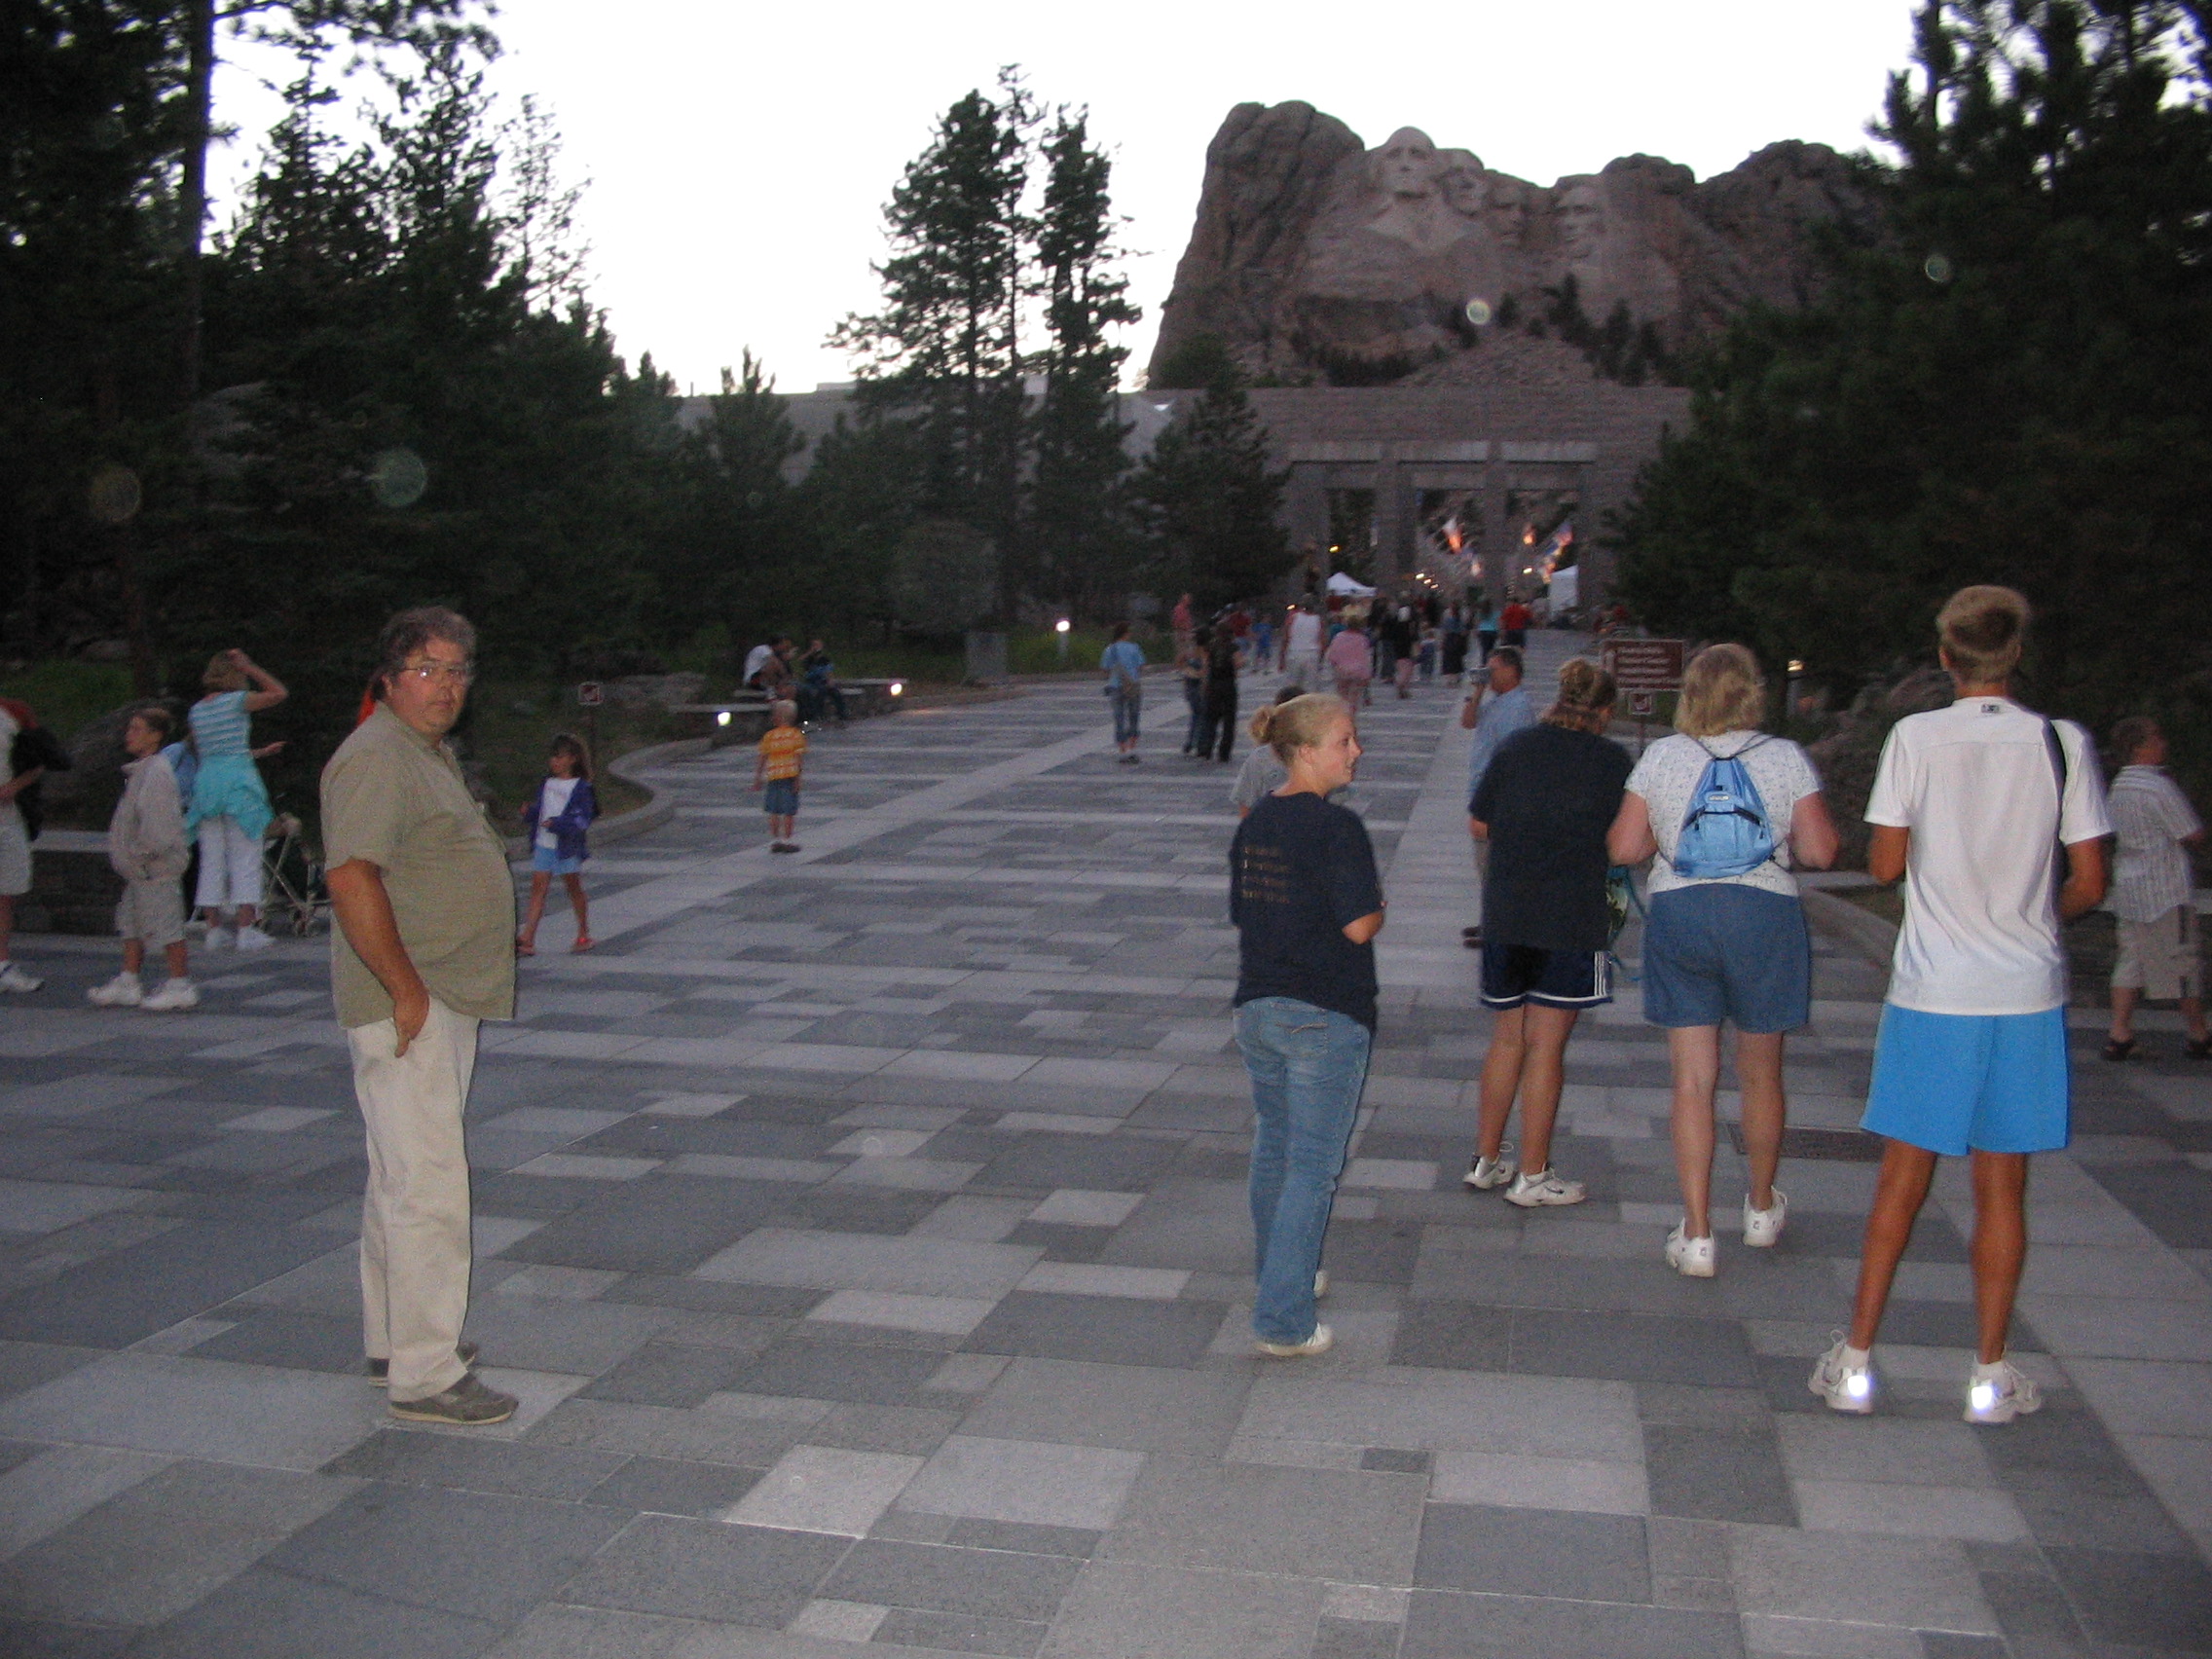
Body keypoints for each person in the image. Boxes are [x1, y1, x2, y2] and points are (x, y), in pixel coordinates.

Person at [1813, 587, 2107, 1424]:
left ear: (1946, 656)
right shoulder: (2062, 743)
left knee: (1901, 1181)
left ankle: (1856, 1360)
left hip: (1935, 989)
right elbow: (2089, 881)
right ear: (2016, 654)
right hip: (2024, 991)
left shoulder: (1916, 738)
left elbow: (1883, 865)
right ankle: (1989, 1373)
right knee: (2002, 1187)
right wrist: (2033, 916)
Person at [322, 607, 517, 1426]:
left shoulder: (420, 750)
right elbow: (350, 878)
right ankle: (428, 1373)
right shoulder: (376, 757)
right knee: (429, 1183)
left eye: (457, 670)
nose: (446, 686)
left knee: (399, 1175)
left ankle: (394, 1341)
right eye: (428, 669)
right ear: (390, 678)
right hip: (414, 1001)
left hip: (439, 994)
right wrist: (405, 990)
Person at [1605, 645, 1839, 1276]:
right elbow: (1820, 851)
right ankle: (1760, 1208)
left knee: (1693, 1080)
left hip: (1682, 914)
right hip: (1764, 917)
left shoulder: (1663, 756)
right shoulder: (1784, 756)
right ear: (1751, 693)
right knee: (1761, 1073)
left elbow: (1624, 846)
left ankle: (1698, 1233)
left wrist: (1664, 833)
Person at [1229, 693, 1385, 1357]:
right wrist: (1378, 903)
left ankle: (1282, 1276)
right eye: (1344, 741)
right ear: (1304, 751)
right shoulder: (1336, 827)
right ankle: (1283, 1322)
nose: (1356, 751)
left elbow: (1247, 912)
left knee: (1275, 1148)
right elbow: (1360, 925)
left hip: (1259, 1006)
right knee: (1312, 1168)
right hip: (1323, 1011)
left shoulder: (1257, 821)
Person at [1464, 659, 1628, 1207]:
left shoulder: (1517, 747)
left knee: (1507, 1038)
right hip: (1571, 917)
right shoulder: (1610, 760)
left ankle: (1486, 1159)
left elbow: (1479, 822)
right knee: (1547, 1047)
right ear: (1605, 710)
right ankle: (1532, 1175)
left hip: (1507, 911)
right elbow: (1625, 841)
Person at [2103, 717, 2208, 1059]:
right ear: (2140, 747)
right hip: (2165, 889)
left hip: (2130, 886)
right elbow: (2190, 832)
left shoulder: (2119, 786)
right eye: (2156, 738)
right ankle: (2198, 1033)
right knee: (2182, 962)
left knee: (2131, 959)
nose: (2163, 744)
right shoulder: (2157, 787)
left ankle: (2120, 1032)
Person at [88, 707, 198, 1012]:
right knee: (132, 924)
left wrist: (141, 855)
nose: (129, 735)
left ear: (155, 736)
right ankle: (129, 980)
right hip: (140, 870)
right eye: (130, 728)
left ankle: (180, 984)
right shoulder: (143, 771)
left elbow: (159, 827)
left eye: (137, 729)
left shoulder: (157, 773)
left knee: (166, 925)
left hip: (154, 868)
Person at [185, 648, 287, 950]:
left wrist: (258, 752)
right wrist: (251, 666)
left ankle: (213, 929)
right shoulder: (237, 701)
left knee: (211, 859)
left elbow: (215, 751)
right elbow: (279, 693)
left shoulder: (197, 711)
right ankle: (246, 929)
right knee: (246, 857)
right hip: (239, 787)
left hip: (207, 786)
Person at [1457, 646, 1534, 950]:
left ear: (1510, 670)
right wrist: (1476, 693)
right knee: (1485, 863)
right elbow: (1467, 722)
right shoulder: (1496, 702)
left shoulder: (1517, 707)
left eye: (1493, 669)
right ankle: (1491, 920)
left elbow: (1512, 758)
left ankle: (1499, 927)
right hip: (1484, 790)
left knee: (1494, 864)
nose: (1488, 675)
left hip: (1499, 797)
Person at [517, 734, 598, 955]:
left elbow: (581, 820)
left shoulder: (581, 788)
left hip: (566, 847)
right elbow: (542, 809)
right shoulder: (547, 783)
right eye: (553, 757)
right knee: (538, 889)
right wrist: (530, 813)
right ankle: (528, 938)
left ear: (573, 759)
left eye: (560, 757)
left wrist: (558, 824)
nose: (555, 762)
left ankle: (583, 932)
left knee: (573, 888)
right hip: (544, 843)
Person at [0, 697, 52, 993]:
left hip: (7, 817)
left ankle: (2, 964)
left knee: (5, 891)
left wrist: (14, 787)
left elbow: (41, 757)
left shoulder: (13, 713)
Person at [756, 699, 806, 853]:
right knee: (789, 811)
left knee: (774, 810)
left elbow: (763, 757)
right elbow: (798, 759)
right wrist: (798, 779)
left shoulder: (769, 736)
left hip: (773, 776)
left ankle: (775, 840)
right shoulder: (796, 735)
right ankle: (787, 840)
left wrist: (758, 777)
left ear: (775, 717)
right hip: (790, 776)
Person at [1101, 622, 1146, 763]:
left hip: (1115, 686)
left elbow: (1105, 670)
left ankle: (1122, 750)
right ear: (1126, 633)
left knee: (1119, 718)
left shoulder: (1110, 649)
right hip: (1132, 686)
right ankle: (1132, 749)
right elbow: (1141, 667)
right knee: (1133, 717)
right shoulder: (1134, 648)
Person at [1198, 624, 1242, 763]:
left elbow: (1205, 667)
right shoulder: (1233, 647)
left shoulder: (1210, 647)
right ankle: (1224, 752)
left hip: (1213, 685)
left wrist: (1204, 685)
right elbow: (1238, 663)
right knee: (1229, 721)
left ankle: (1208, 748)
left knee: (1211, 718)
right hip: (1228, 685)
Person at [797, 641, 849, 726]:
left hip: (822, 681)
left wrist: (830, 680)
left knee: (834, 691)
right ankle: (817, 715)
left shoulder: (825, 659)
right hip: (811, 682)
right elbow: (800, 661)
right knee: (820, 692)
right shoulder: (808, 659)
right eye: (814, 645)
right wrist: (810, 652)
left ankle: (842, 714)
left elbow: (829, 671)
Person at [1325, 615, 1373, 706]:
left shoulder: (1339, 637)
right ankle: (1351, 712)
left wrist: (1334, 665)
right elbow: (1365, 657)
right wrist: (1366, 675)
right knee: (1354, 696)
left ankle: (1343, 712)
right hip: (1357, 671)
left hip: (1342, 670)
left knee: (1342, 695)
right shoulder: (1362, 639)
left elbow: (1332, 655)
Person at [1180, 626, 1212, 756]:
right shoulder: (1206, 651)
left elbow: (1180, 662)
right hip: (1200, 685)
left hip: (1190, 684)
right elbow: (1205, 670)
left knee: (1195, 715)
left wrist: (1188, 671)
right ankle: (1199, 743)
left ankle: (1191, 742)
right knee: (1203, 716)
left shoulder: (1190, 651)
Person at [1441, 606, 1469, 685]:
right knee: (1457, 659)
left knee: (1448, 659)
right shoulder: (1461, 620)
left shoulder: (1447, 620)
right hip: (1458, 639)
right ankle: (1456, 677)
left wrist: (1442, 642)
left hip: (1449, 639)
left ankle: (1449, 679)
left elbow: (1444, 631)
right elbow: (1464, 632)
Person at [1475, 601, 1499, 666]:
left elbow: (1477, 622)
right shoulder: (1495, 613)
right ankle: (1491, 662)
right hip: (1493, 631)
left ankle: (1484, 663)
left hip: (1483, 632)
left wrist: (1476, 630)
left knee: (1484, 649)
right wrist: (1499, 631)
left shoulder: (1480, 613)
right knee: (1491, 649)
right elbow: (1497, 622)